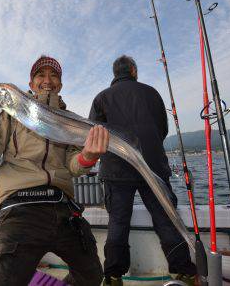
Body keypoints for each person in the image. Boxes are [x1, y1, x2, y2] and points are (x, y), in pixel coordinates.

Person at [0, 55, 107, 285]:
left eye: (54, 75)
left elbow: (73, 165)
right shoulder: (9, 112)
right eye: (40, 75)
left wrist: (88, 157)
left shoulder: (71, 121)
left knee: (92, 276)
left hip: (64, 209)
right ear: (31, 83)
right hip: (20, 207)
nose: (47, 80)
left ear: (60, 84)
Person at [89, 55, 197, 286]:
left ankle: (113, 276)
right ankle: (184, 272)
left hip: (116, 169)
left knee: (118, 221)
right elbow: (162, 129)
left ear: (114, 73)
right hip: (153, 166)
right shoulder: (152, 93)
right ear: (133, 71)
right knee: (166, 219)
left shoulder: (101, 98)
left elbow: (94, 134)